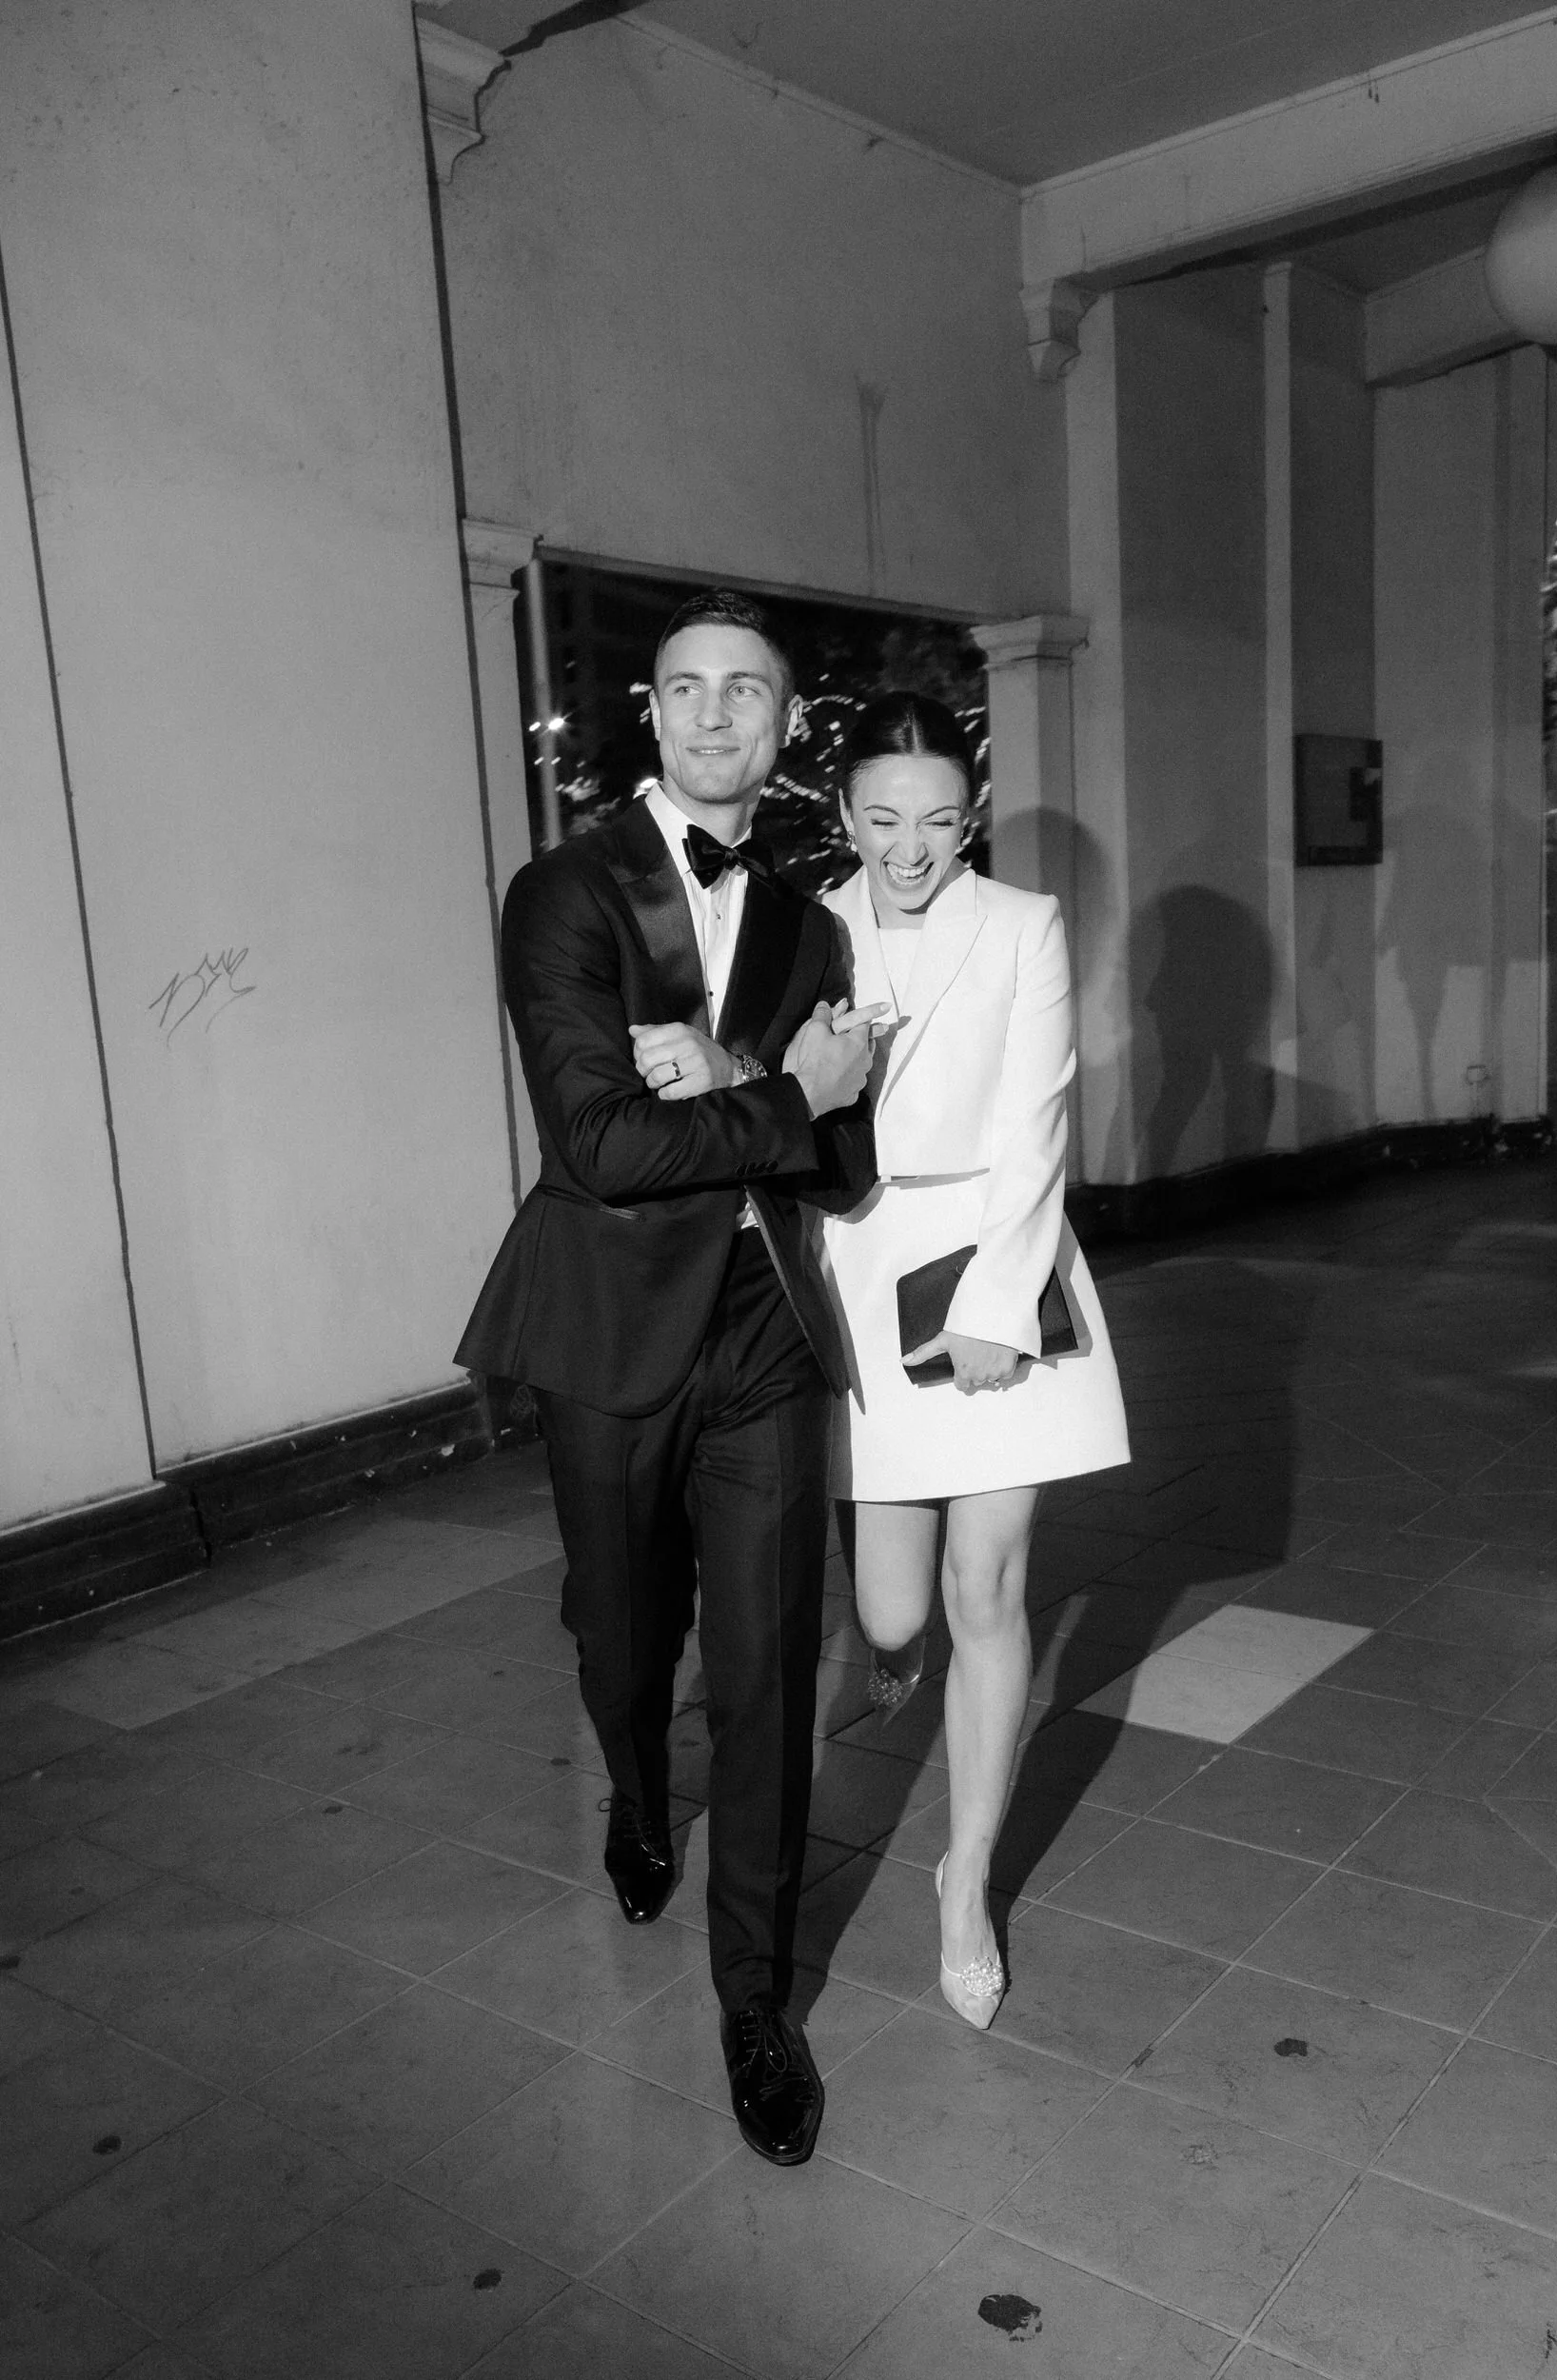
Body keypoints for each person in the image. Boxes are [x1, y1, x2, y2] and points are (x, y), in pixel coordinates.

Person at [455, 590, 879, 2165]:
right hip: (613, 1343)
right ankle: (640, 1800)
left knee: (768, 1673)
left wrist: (756, 1089)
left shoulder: (812, 924)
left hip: (765, 1338)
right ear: (652, 711)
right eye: (689, 691)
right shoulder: (562, 894)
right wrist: (771, 1094)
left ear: (781, 731)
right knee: (629, 1646)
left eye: (748, 697)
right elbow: (604, 1147)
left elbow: (842, 1165)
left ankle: (757, 2005)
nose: (716, 719)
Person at [818, 691, 1130, 2028]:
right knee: (894, 1617)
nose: (910, 846)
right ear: (842, 815)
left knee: (987, 1589)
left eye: (939, 820)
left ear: (970, 819)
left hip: (999, 1261)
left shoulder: (1021, 925)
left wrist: (1001, 1303)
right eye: (883, 818)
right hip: (858, 1266)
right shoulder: (801, 930)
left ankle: (967, 1881)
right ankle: (899, 1652)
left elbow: (1040, 1114)